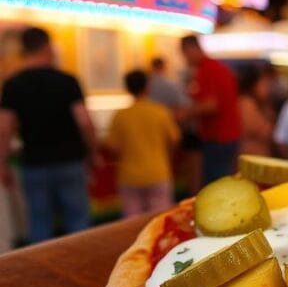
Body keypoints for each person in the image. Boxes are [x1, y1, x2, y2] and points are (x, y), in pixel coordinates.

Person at [0, 27, 97, 243]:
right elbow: (84, 122)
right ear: (48, 47)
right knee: (78, 221)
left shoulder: (12, 85)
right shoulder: (67, 81)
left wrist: (3, 163)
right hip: (70, 159)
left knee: (39, 223)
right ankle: (82, 270)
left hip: (34, 162)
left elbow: (4, 129)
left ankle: (42, 275)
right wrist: (93, 152)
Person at [105, 70, 181, 217]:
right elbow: (174, 140)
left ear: (127, 88)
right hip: (158, 171)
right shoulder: (160, 112)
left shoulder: (120, 116)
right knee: (160, 220)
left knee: (131, 223)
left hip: (129, 175)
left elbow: (112, 147)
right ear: (147, 87)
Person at [180, 35, 240, 184]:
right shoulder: (216, 68)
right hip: (228, 136)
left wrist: (185, 113)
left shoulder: (207, 69)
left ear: (192, 49)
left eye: (184, 53)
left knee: (216, 185)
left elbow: (211, 105)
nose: (184, 58)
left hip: (218, 137)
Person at [237, 67, 275, 157]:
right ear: (253, 84)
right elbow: (263, 131)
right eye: (264, 84)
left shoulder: (260, 104)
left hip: (258, 156)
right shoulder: (246, 104)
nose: (268, 88)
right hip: (250, 156)